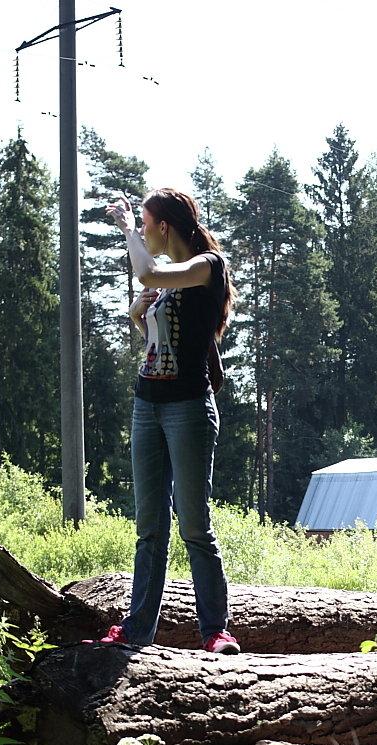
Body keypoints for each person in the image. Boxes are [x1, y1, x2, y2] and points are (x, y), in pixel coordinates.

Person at [93, 187, 240, 654]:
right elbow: (162, 344)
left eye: (142, 222)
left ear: (163, 227)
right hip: (147, 405)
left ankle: (216, 631)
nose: (139, 229)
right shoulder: (166, 283)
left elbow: (148, 268)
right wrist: (139, 316)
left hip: (188, 409)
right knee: (148, 526)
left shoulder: (206, 267)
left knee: (194, 524)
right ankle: (137, 631)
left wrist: (121, 229)